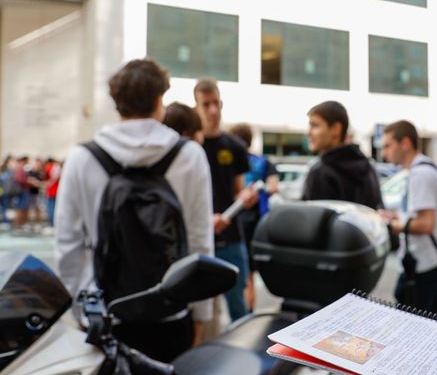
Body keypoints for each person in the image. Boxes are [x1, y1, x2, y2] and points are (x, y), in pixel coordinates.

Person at [55, 59, 213, 361]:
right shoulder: (190, 156)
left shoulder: (82, 158)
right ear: (159, 100)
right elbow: (199, 241)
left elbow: (68, 246)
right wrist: (201, 314)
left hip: (106, 315)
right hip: (171, 313)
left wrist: (81, 309)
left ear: (118, 104)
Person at [194, 78, 254, 325]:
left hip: (231, 238)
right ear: (196, 107)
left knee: (238, 306)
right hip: (198, 238)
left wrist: (245, 198)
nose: (213, 110)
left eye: (216, 103)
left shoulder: (235, 146)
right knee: (200, 309)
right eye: (206, 104)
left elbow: (238, 191)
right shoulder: (188, 147)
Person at [379, 120, 437, 314]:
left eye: (388, 145)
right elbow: (418, 215)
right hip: (428, 263)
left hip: (420, 266)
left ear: (406, 143)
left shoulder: (420, 174)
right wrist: (396, 216)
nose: (384, 153)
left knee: (415, 331)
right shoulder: (425, 168)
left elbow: (426, 224)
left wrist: (391, 225)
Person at [228, 123, 280, 311]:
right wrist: (259, 189)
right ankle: (249, 312)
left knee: (240, 273)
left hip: (233, 221)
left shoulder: (230, 161)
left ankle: (244, 314)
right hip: (257, 223)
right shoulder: (263, 162)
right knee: (249, 273)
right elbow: (274, 187)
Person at [302, 101, 382, 209]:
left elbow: (312, 222)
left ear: (336, 129)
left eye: (315, 125)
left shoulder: (320, 172)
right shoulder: (369, 167)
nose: (308, 132)